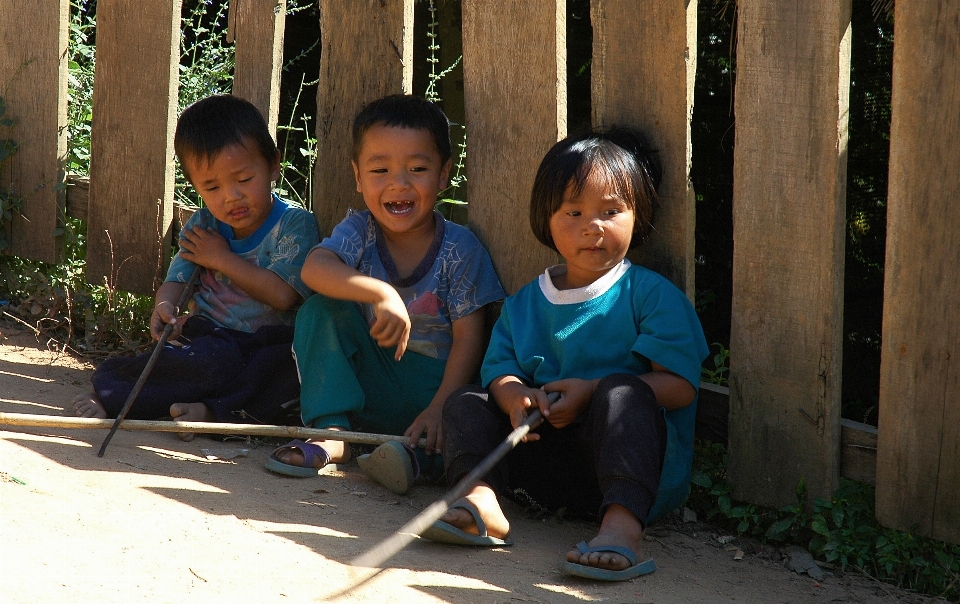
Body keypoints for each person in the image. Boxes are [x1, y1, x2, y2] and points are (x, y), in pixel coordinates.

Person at [427, 127, 709, 581]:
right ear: (546, 218)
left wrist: (592, 392)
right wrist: (516, 397)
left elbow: (679, 387)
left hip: (628, 473)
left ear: (639, 214)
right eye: (573, 211)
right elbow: (499, 371)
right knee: (466, 402)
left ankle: (621, 528)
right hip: (538, 467)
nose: (592, 226)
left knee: (624, 391)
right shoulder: (524, 304)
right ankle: (481, 500)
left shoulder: (650, 295)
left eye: (611, 211)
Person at [265, 95, 505, 491]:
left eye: (417, 168)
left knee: (461, 418)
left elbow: (470, 339)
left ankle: (414, 458)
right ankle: (333, 434)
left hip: (435, 387)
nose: (399, 183)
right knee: (320, 310)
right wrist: (381, 294)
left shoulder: (460, 249)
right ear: (358, 177)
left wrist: (439, 407)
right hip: (371, 379)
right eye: (380, 169)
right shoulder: (360, 231)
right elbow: (314, 268)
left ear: (444, 174)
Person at [71, 95, 320, 439]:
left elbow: (282, 294)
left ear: (274, 165)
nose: (231, 196)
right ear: (195, 187)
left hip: (270, 344)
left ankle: (211, 412)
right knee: (193, 362)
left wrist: (221, 259)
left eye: (244, 179)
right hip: (211, 338)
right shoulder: (204, 226)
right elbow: (178, 278)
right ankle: (111, 395)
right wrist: (165, 306)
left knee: (292, 376)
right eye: (212, 187)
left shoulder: (295, 224)